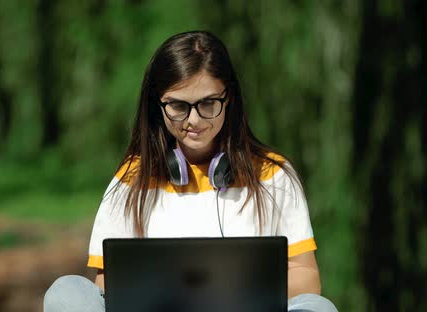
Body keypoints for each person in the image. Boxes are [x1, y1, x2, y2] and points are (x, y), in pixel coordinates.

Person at [44, 30, 338, 312]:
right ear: (157, 105)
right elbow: (106, 282)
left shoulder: (274, 175)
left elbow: (307, 279)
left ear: (230, 98)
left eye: (208, 103)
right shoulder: (131, 179)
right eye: (178, 106)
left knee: (318, 308)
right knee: (66, 291)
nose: (194, 120)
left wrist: (225, 295)